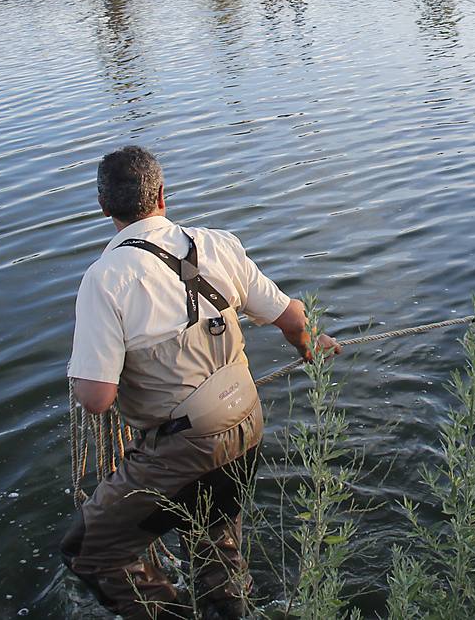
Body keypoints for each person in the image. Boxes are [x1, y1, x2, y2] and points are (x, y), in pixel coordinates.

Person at [61, 146, 340, 619]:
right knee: (214, 544)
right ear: (163, 194)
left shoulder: (106, 279)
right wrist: (311, 344)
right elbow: (294, 318)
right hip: (246, 426)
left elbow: (96, 397)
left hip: (181, 449)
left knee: (90, 551)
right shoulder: (216, 244)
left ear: (103, 206)